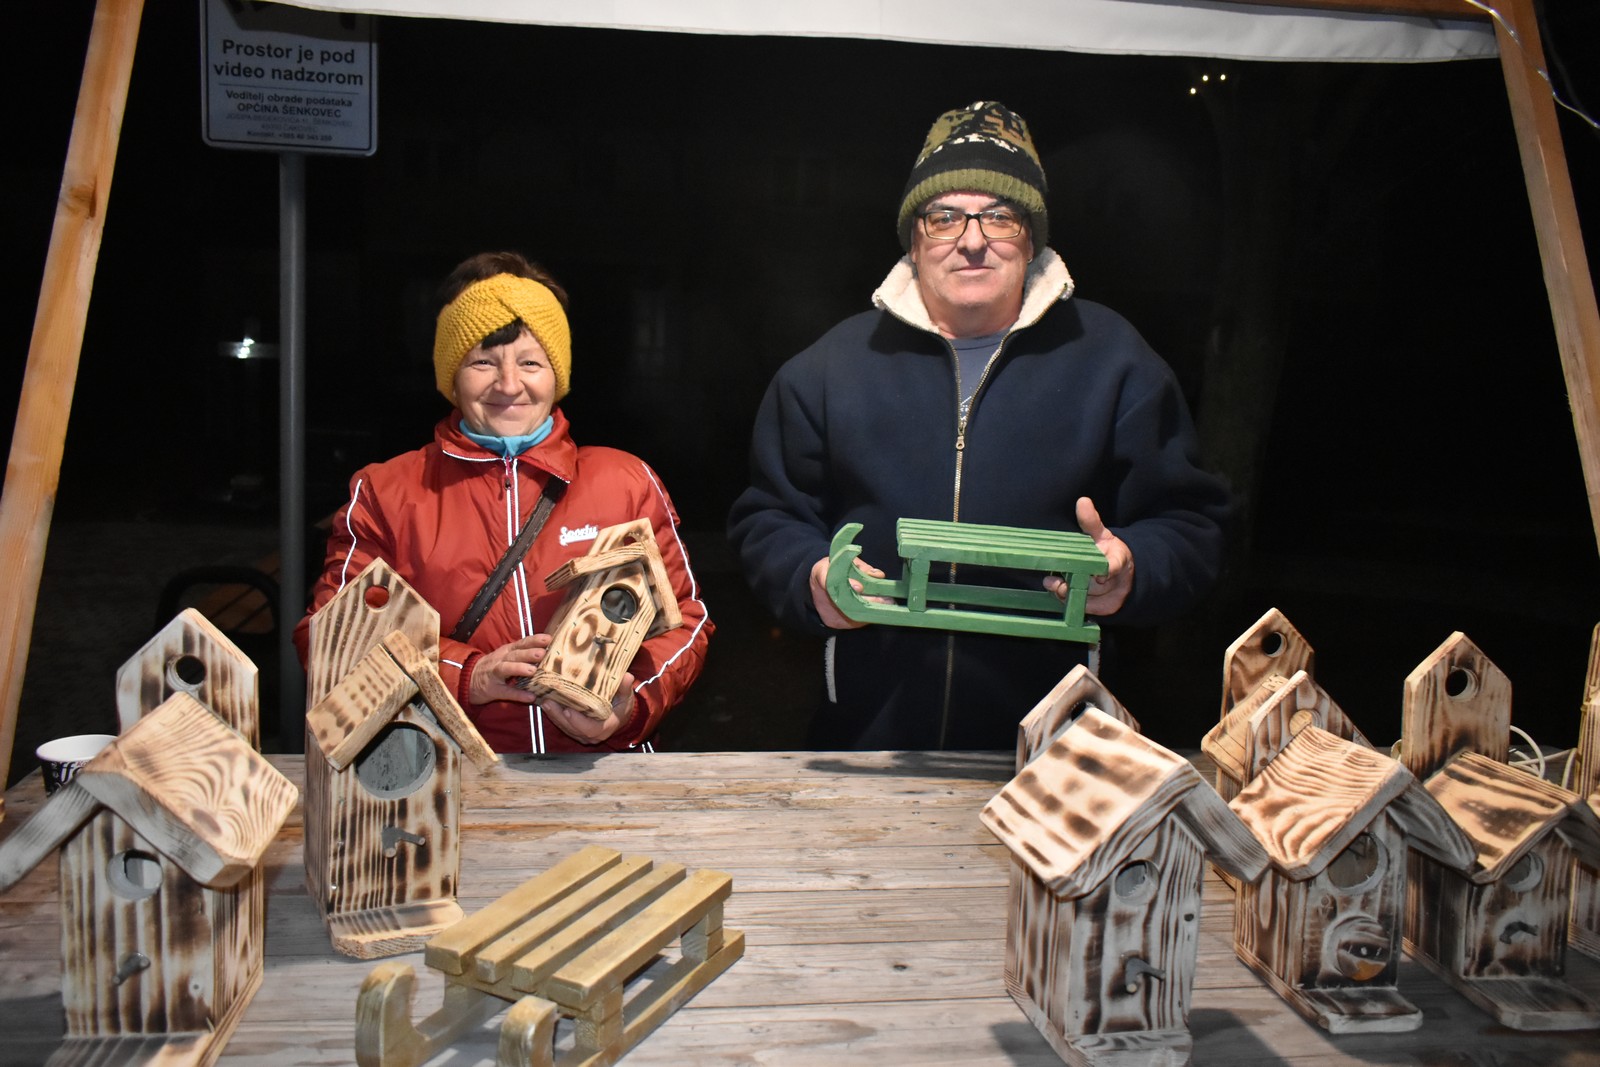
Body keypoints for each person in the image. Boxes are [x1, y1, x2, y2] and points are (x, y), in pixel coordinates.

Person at [727, 101, 1230, 751]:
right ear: (915, 237)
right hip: (870, 740)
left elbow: (1194, 526)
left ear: (1034, 236)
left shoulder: (1117, 362)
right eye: (945, 217)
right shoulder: (825, 371)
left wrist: (1134, 567)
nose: (972, 239)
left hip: (1061, 754)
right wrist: (811, 575)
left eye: (1000, 214)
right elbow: (767, 518)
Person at [294, 251, 712, 753]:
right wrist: (468, 674)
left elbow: (687, 621)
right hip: (450, 776)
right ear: (452, 373)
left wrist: (632, 706)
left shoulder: (625, 481)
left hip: (601, 775)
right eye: (483, 361)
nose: (509, 384)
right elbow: (333, 640)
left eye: (531, 362)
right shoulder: (387, 492)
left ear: (557, 373)